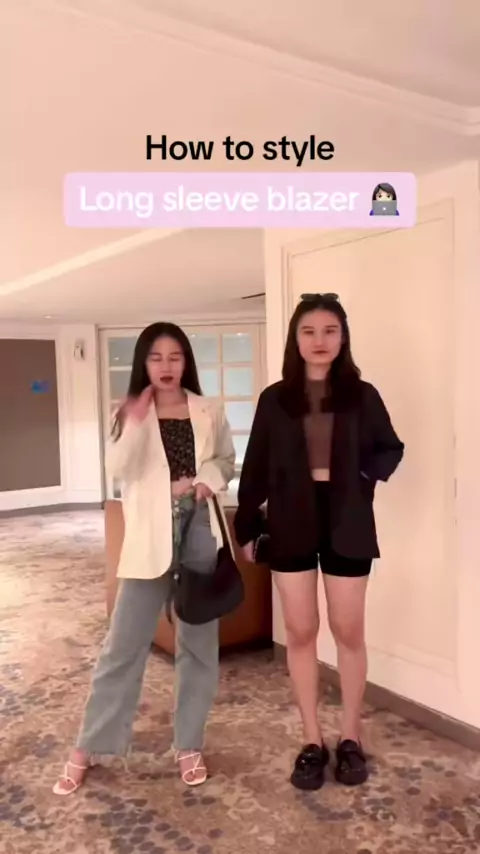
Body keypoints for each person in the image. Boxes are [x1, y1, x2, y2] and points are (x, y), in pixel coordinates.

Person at [53, 322, 235, 795]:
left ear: (185, 362)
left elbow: (225, 461)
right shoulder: (129, 412)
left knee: (198, 647)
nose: (166, 366)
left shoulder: (209, 410)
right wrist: (133, 421)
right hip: (148, 537)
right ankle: (90, 745)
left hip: (198, 531)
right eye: (156, 358)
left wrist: (204, 481)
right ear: (144, 364)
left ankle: (189, 744)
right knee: (122, 646)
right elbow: (118, 469)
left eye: (175, 357)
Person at [234, 293, 404, 791]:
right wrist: (247, 526)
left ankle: (350, 737)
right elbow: (256, 465)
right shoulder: (275, 399)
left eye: (330, 330)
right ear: (296, 339)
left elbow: (390, 448)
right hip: (290, 519)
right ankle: (312, 740)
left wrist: (361, 476)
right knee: (301, 630)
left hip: (347, 519)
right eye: (309, 331)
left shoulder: (362, 395)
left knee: (348, 631)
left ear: (343, 337)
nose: (320, 340)